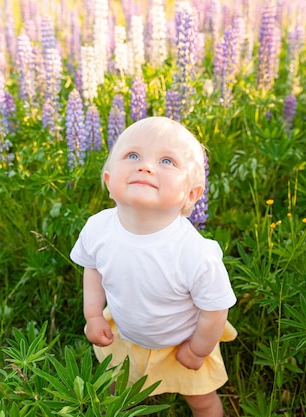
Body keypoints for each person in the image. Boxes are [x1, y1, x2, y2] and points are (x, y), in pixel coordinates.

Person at [70, 116, 237, 417]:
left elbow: (215, 308)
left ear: (190, 196)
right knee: (117, 393)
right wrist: (93, 315)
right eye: (132, 155)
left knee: (202, 401)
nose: (145, 166)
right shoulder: (97, 228)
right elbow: (92, 269)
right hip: (125, 336)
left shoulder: (195, 253)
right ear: (109, 181)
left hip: (182, 341)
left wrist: (198, 349)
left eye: (167, 161)